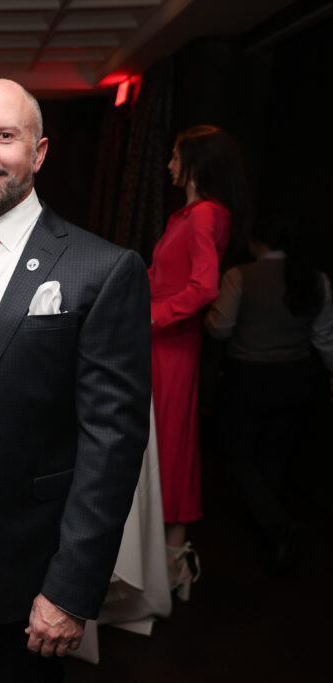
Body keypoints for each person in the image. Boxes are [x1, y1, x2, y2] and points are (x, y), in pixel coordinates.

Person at [0, 79, 151, 682]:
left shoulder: (102, 268)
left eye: (4, 136)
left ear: (39, 153)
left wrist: (70, 588)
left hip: (29, 553)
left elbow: (111, 445)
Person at [150, 124, 249, 597]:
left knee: (172, 446)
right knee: (161, 444)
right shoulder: (187, 216)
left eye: (174, 156)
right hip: (160, 342)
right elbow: (161, 276)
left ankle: (174, 561)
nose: (169, 165)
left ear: (195, 163)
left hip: (172, 344)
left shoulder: (206, 215)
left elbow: (204, 288)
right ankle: (165, 558)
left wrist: (150, 317)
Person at [204, 213, 333, 574]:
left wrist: (211, 317)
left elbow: (219, 329)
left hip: (247, 379)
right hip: (296, 380)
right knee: (273, 456)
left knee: (234, 455)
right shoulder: (316, 280)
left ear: (255, 242)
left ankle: (278, 527)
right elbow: (325, 339)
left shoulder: (240, 275)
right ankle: (270, 537)